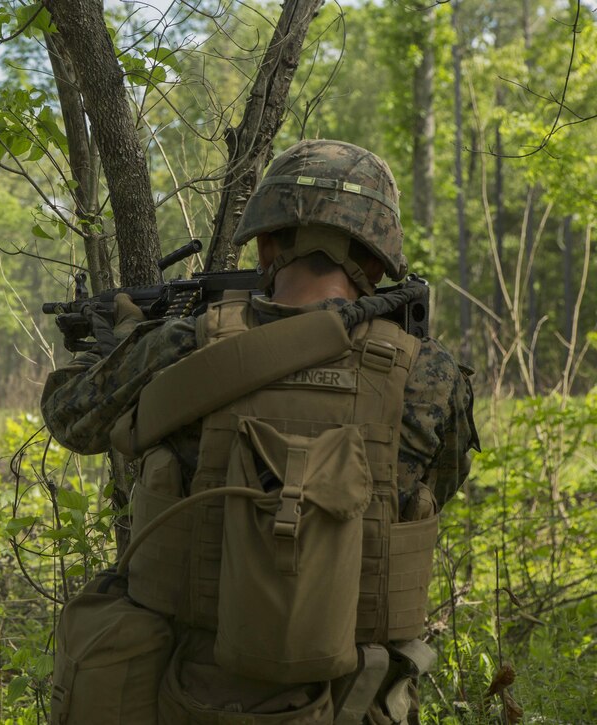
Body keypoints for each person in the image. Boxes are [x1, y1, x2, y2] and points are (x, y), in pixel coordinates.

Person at [42, 139, 479, 725]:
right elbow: (436, 491)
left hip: (186, 688)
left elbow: (71, 418)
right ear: (377, 263)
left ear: (267, 242)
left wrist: (122, 345)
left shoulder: (182, 346)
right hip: (355, 695)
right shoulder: (431, 374)